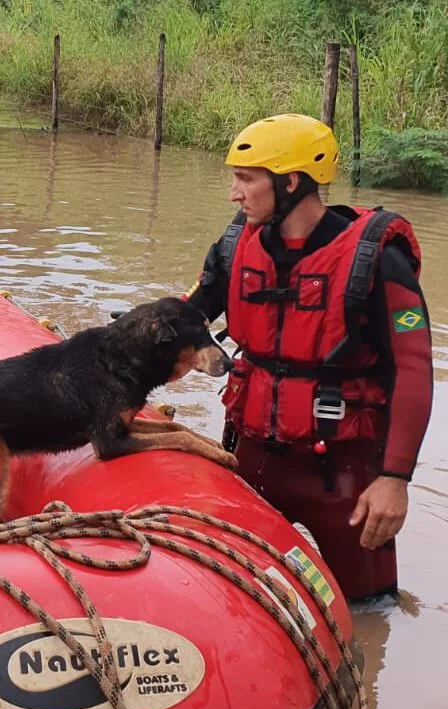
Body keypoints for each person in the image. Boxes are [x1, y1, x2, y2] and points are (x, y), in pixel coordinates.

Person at [185, 113, 432, 601]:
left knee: (370, 616)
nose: (234, 193)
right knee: (237, 600)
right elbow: (180, 321)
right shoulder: (237, 246)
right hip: (252, 459)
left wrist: (395, 481)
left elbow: (414, 371)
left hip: (345, 479)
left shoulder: (380, 260)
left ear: (291, 181)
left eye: (246, 179)